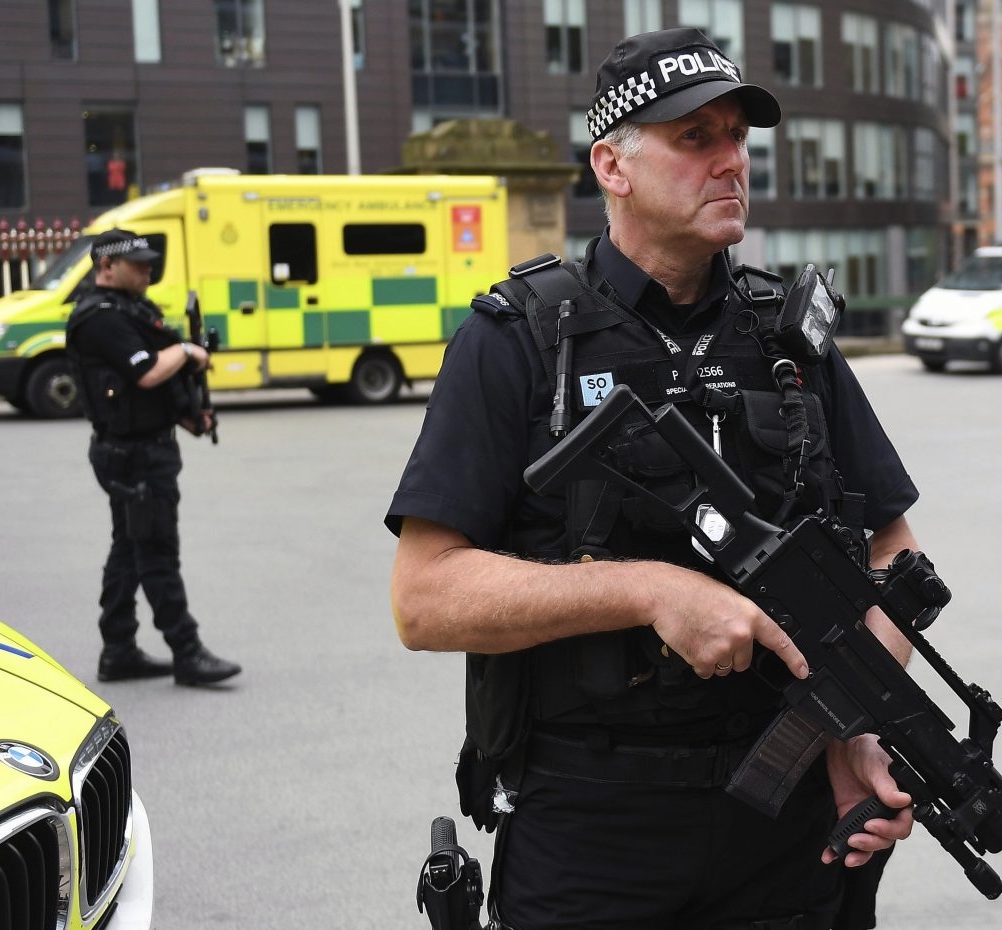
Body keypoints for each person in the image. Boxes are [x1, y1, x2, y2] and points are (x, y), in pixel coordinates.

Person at [387, 28, 920, 930]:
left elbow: (895, 553)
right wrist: (649, 592)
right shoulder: (519, 340)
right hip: (593, 828)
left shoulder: (788, 341)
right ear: (613, 164)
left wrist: (846, 723)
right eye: (694, 138)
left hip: (783, 822)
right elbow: (425, 598)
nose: (730, 163)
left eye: (737, 138)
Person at [65, 228, 241, 687]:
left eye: (149, 263)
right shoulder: (99, 318)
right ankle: (187, 651)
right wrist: (185, 352)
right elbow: (145, 372)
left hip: (142, 447)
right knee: (157, 552)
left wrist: (187, 416)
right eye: (138, 264)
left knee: (129, 549)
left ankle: (118, 650)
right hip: (134, 456)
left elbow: (150, 388)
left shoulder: (133, 310)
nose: (148, 270)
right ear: (106, 266)